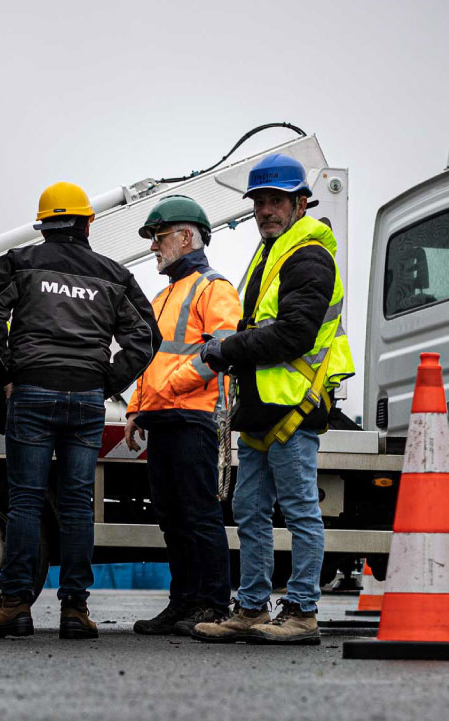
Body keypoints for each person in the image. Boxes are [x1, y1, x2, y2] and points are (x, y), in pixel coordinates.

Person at [0, 181, 160, 639]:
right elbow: (146, 335)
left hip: (31, 393)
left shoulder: (22, 262)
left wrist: (5, 370)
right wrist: (108, 380)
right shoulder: (113, 274)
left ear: (44, 224)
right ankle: (75, 610)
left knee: (26, 502)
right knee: (76, 506)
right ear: (88, 222)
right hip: (87, 398)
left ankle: (14, 606)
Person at [191, 154, 355, 644]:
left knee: (299, 510)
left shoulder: (307, 255)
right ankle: (252, 607)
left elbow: (295, 334)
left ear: (300, 203)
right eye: (260, 202)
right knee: (250, 509)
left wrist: (227, 350)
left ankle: (302, 612)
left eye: (276, 200)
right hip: (265, 406)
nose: (265, 210)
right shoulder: (273, 254)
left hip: (292, 405)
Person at [123, 196, 241, 636]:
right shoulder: (162, 296)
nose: (154, 246)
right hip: (163, 420)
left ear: (187, 236)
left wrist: (168, 389)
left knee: (198, 514)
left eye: (159, 236)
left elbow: (223, 351)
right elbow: (148, 361)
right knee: (171, 517)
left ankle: (211, 603)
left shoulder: (215, 289)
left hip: (193, 419)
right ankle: (183, 602)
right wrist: (137, 409)